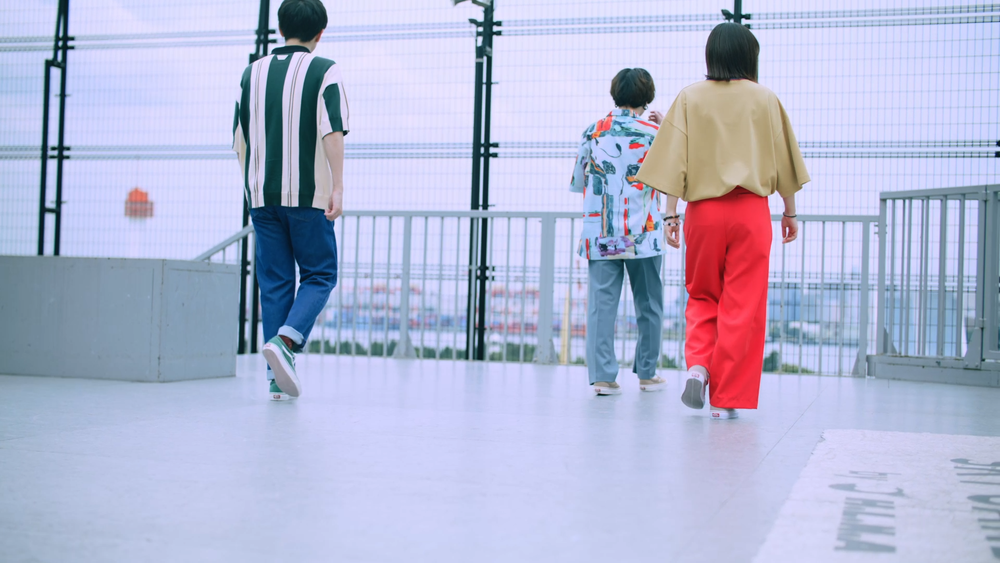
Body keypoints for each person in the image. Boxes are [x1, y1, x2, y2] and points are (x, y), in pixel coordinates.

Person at [636, 23, 809, 419]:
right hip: (750, 211)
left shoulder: (690, 97)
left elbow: (674, 163)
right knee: (742, 304)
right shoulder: (765, 99)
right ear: (750, 56)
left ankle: (698, 366)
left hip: (703, 212)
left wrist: (670, 216)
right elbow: (784, 162)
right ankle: (726, 397)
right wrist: (790, 211)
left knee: (702, 295)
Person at [232, 0, 349, 400]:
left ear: (280, 29)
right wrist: (337, 186)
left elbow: (239, 139)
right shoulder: (324, 70)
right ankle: (286, 341)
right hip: (308, 194)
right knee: (320, 274)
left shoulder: (251, 73)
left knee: (275, 282)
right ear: (320, 33)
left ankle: (275, 379)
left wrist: (253, 188)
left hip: (261, 194)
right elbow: (332, 130)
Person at [570, 68, 673, 396]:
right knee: (649, 304)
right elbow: (673, 177)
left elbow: (579, 181)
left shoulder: (593, 131)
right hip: (643, 233)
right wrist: (667, 129)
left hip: (604, 233)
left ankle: (603, 377)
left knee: (602, 305)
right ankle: (647, 374)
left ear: (615, 94)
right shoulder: (654, 133)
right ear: (648, 97)